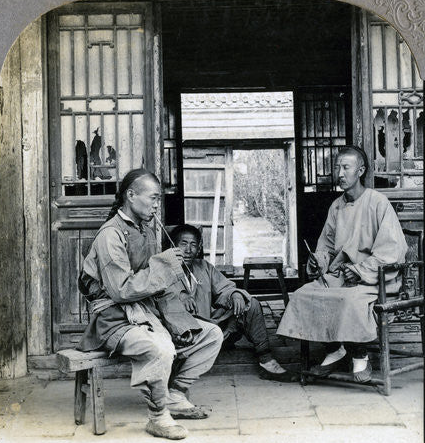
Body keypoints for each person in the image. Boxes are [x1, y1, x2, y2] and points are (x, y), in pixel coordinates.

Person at [77, 169, 223, 440]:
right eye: (153, 198)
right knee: (161, 347)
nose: (157, 205)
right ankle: (157, 416)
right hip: (115, 318)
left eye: (159, 200)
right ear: (130, 196)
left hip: (147, 311)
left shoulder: (146, 229)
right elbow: (121, 290)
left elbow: (156, 280)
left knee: (211, 334)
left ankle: (175, 395)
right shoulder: (111, 235)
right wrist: (164, 265)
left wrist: (179, 297)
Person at [276, 147, 408, 383]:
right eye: (337, 167)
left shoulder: (378, 202)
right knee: (303, 294)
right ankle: (335, 349)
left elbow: (392, 251)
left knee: (349, 300)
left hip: (374, 279)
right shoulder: (336, 206)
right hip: (340, 277)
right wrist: (319, 261)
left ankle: (360, 354)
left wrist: (359, 270)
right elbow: (326, 246)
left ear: (361, 170)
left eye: (345, 167)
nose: (340, 173)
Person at [169, 224, 295, 382]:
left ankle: (266, 360)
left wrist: (234, 295)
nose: (188, 249)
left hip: (210, 328)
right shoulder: (163, 269)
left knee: (250, 304)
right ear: (173, 246)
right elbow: (159, 299)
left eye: (193, 244)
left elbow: (224, 288)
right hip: (183, 335)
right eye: (183, 243)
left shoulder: (204, 267)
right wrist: (179, 296)